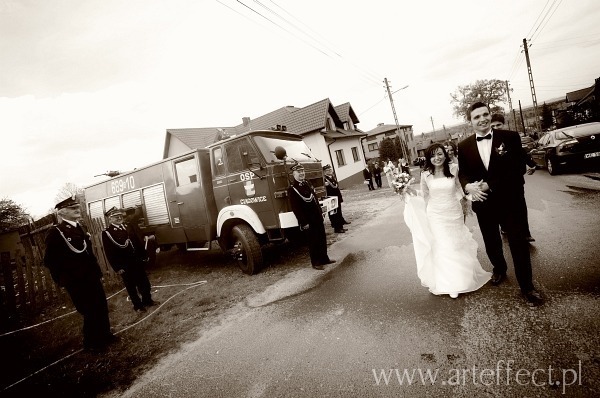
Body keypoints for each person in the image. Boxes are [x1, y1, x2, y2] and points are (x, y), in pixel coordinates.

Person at [458, 102, 544, 306]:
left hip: (509, 201)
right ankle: (499, 269)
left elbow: (517, 170)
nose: (483, 119)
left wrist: (488, 185)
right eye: (477, 117)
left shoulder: (510, 138)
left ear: (490, 115)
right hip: (483, 203)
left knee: (518, 243)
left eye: (485, 114)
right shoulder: (463, 146)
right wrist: (467, 186)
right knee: (491, 241)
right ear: (470, 122)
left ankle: (527, 287)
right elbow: (463, 173)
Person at [403, 144, 491, 298]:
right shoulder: (425, 174)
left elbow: (460, 189)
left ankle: (463, 279)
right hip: (435, 214)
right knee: (443, 246)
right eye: (433, 155)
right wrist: (410, 192)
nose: (436, 158)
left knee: (456, 244)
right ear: (429, 158)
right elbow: (424, 195)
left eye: (439, 154)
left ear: (444, 154)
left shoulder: (454, 168)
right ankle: (449, 283)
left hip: (453, 212)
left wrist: (469, 197)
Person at [44, 197, 116, 351]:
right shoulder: (56, 232)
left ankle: (105, 335)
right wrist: (63, 279)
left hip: (91, 276)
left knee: (101, 306)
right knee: (89, 310)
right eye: (72, 208)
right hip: (75, 280)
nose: (77, 210)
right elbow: (50, 260)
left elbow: (88, 254)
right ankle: (92, 344)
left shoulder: (79, 227)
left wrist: (97, 272)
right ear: (62, 212)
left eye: (77, 207)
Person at [490, 113, 536, 242]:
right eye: (493, 126)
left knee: (520, 206)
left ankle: (526, 233)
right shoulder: (489, 141)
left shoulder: (512, 137)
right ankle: (504, 227)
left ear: (503, 124)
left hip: (515, 180)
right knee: (501, 207)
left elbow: (520, 151)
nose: (496, 127)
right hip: (498, 182)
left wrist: (531, 164)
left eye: (498, 124)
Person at [102, 207, 157, 313]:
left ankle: (147, 300)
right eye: (115, 217)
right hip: (125, 265)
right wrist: (117, 267)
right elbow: (109, 253)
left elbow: (137, 241)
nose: (119, 218)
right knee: (131, 287)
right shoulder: (107, 233)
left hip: (137, 260)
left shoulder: (127, 226)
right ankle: (138, 306)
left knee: (144, 282)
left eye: (120, 216)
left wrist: (144, 255)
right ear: (110, 219)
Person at [288, 163, 336, 270]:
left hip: (317, 217)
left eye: (302, 171)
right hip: (308, 220)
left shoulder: (307, 183)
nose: (302, 174)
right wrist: (303, 222)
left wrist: (320, 214)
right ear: (293, 174)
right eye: (299, 172)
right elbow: (296, 208)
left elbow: (314, 200)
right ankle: (316, 262)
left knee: (321, 238)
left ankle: (324, 258)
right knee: (313, 240)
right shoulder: (293, 189)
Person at [323, 164, 349, 233]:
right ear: (325, 172)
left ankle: (340, 226)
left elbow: (336, 187)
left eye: (330, 169)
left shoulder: (332, 177)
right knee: (333, 214)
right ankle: (336, 228)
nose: (330, 171)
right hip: (331, 199)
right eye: (328, 170)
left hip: (336, 198)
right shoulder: (325, 179)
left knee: (338, 212)